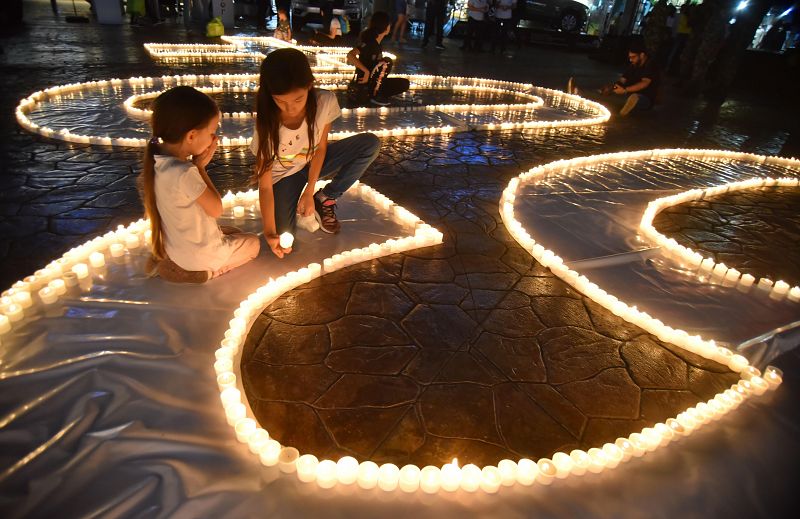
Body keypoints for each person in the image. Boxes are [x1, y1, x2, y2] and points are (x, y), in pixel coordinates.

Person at [251, 49, 380, 256]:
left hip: (312, 162)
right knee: (284, 237)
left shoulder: (325, 102)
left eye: (298, 99)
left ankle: (326, 197)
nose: (290, 108)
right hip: (284, 176)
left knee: (369, 144)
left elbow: (321, 148)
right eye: (281, 101)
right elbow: (265, 186)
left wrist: (310, 192)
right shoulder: (267, 124)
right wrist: (268, 231)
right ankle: (291, 201)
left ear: (309, 87)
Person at [140, 86, 260, 284]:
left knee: (233, 231)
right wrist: (200, 168)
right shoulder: (185, 172)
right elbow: (216, 209)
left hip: (176, 249)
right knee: (253, 244)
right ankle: (206, 273)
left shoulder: (157, 163)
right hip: (203, 256)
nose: (214, 138)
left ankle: (175, 262)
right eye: (212, 131)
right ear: (191, 136)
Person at [567, 40, 659, 117]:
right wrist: (613, 88)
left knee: (635, 98)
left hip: (644, 98)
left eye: (633, 57)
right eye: (630, 57)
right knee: (604, 93)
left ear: (642, 55)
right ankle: (578, 92)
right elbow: (623, 79)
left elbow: (645, 83)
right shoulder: (633, 65)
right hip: (627, 93)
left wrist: (625, 90)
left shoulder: (651, 65)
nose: (631, 60)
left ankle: (627, 104)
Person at [348, 11, 411, 106]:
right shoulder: (369, 42)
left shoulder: (377, 43)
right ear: (385, 26)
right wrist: (365, 71)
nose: (390, 26)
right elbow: (350, 55)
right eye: (389, 24)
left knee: (404, 83)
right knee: (387, 62)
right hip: (365, 83)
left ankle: (377, 92)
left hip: (373, 82)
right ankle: (375, 95)